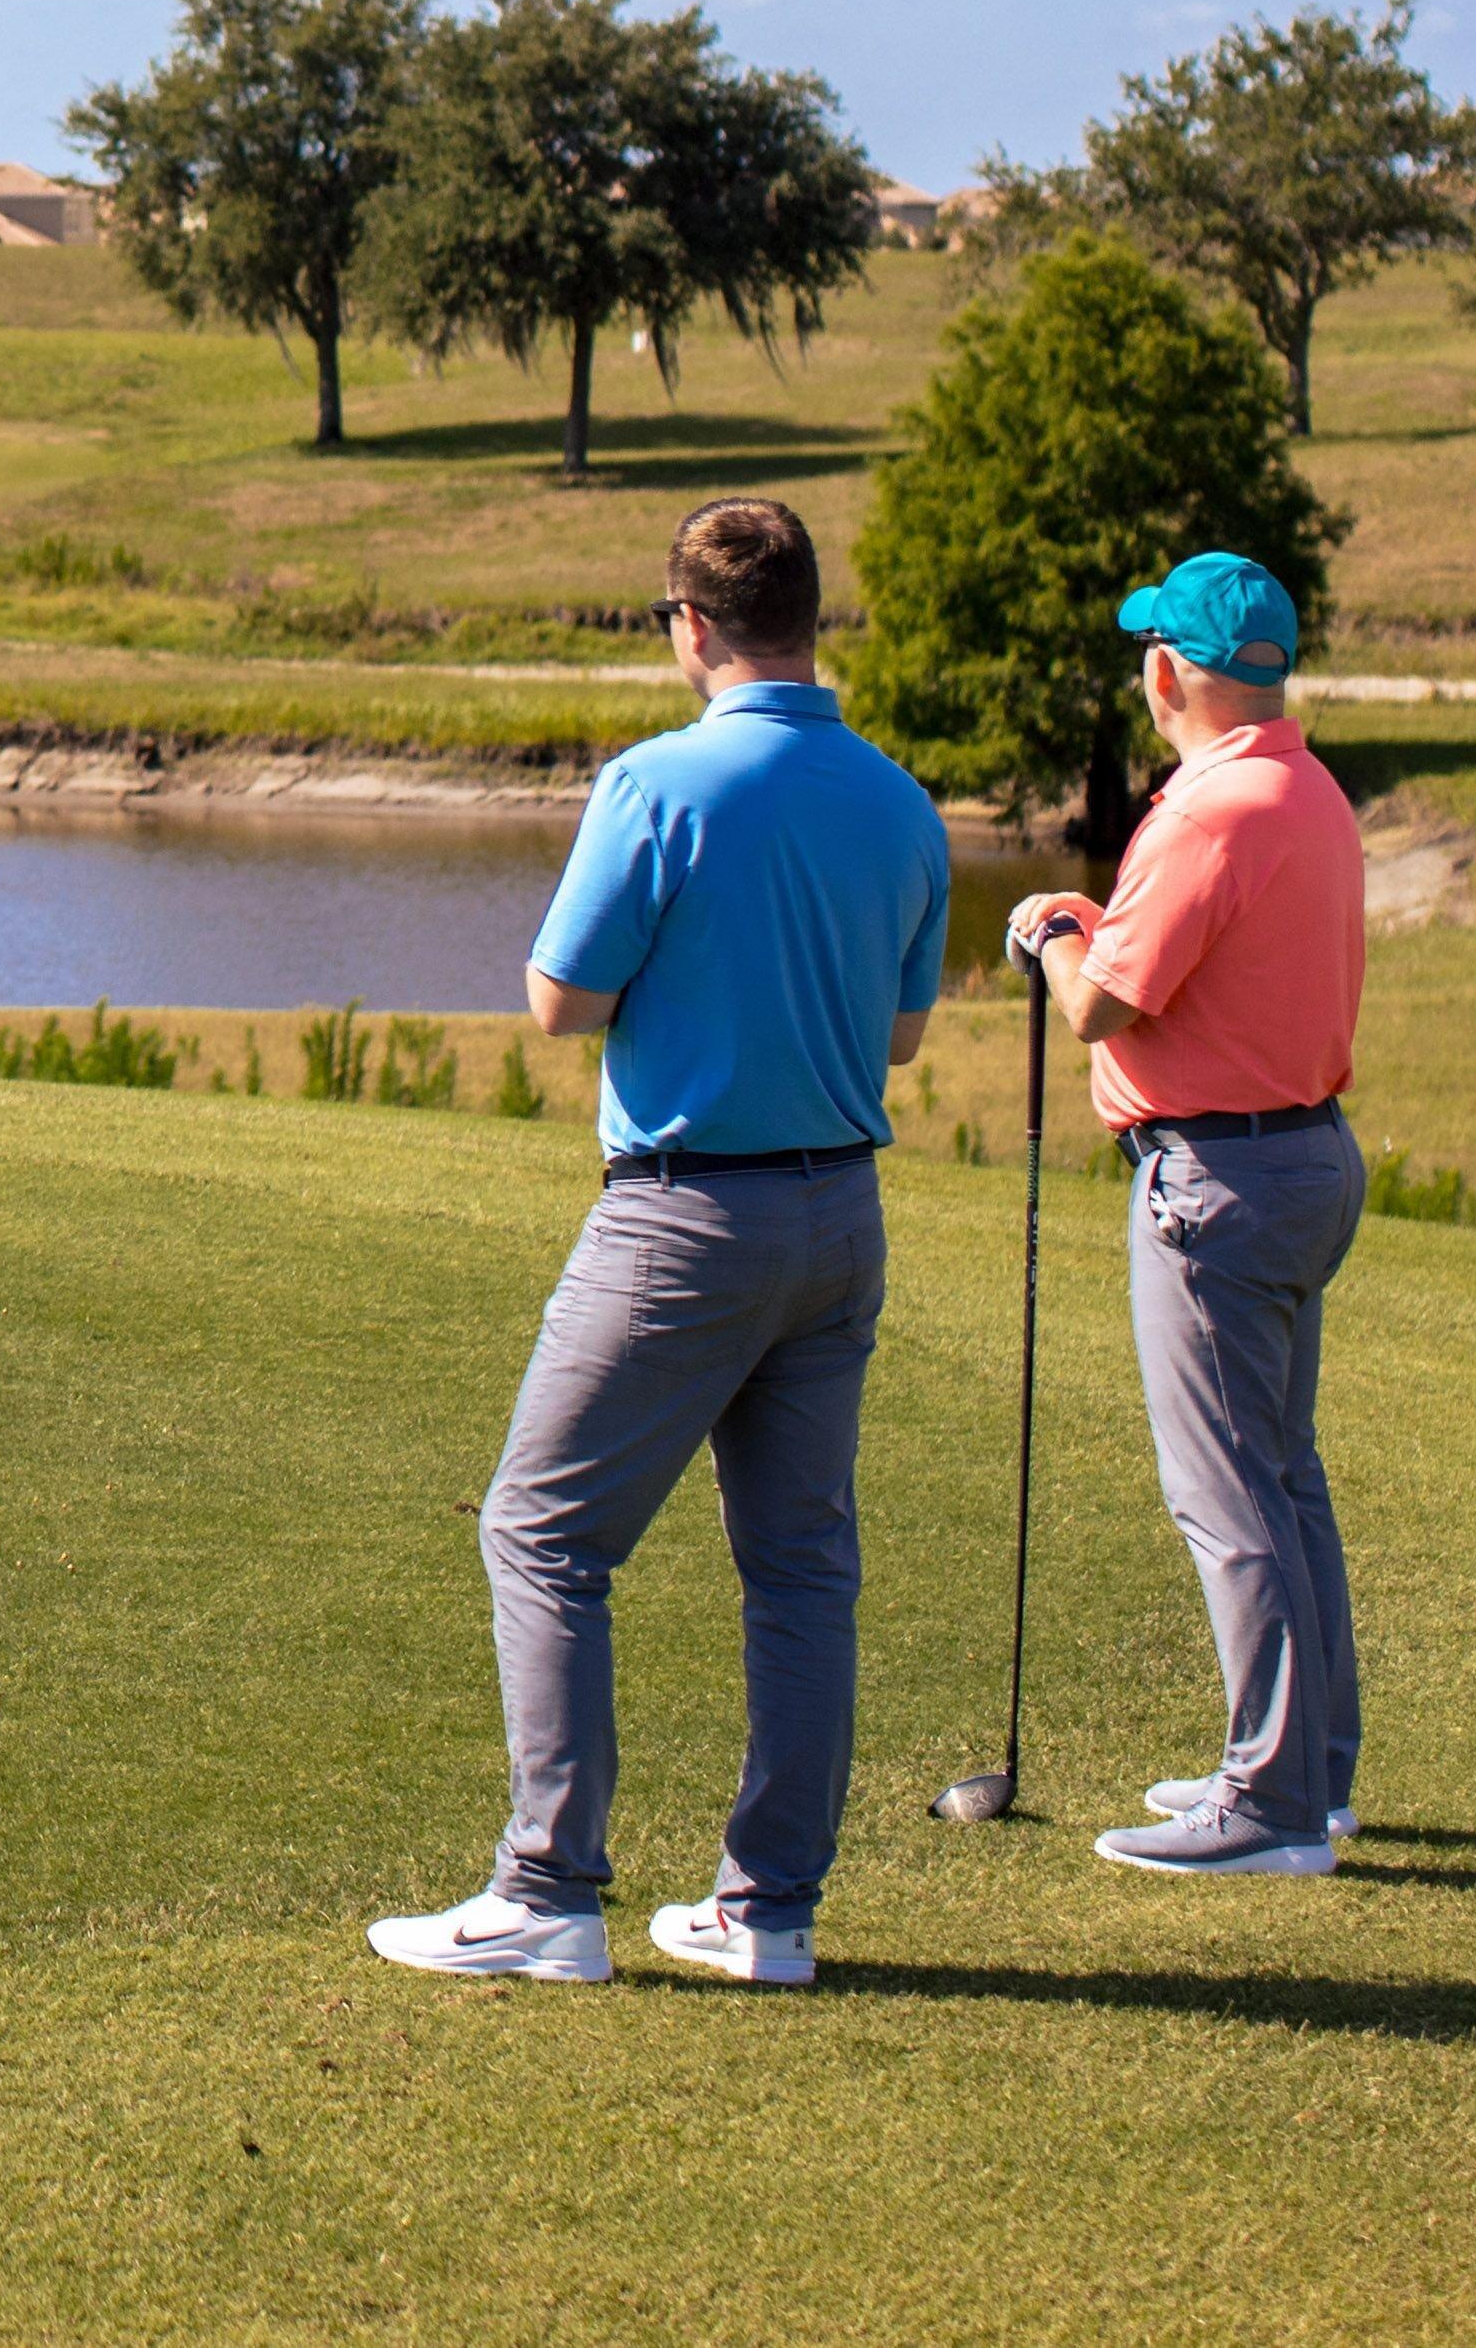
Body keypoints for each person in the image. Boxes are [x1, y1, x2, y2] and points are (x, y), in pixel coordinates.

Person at [370, 494, 952, 1991]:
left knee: (540, 1528)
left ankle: (548, 1891)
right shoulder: (897, 801)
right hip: (838, 1216)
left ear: (687, 627)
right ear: (808, 618)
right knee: (800, 1565)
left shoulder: (653, 784)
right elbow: (894, 1037)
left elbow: (558, 1000)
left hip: (686, 1215)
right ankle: (768, 1913)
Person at [1002, 549, 1366, 1879]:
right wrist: (1095, 922)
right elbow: (1196, 962)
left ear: (1164, 672)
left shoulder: (1205, 811)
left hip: (1216, 1181)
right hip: (1299, 1159)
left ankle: (1265, 1803)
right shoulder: (1301, 787)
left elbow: (1101, 1005)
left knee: (1226, 1496)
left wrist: (1046, 935)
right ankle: (1309, 1772)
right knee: (1282, 1480)